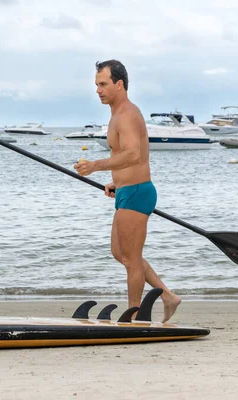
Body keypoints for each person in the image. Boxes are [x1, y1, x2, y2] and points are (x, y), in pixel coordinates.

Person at [74, 59, 181, 322]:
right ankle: (167, 295)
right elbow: (131, 156)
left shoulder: (128, 114)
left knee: (132, 259)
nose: (98, 90)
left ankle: (134, 315)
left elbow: (134, 155)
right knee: (120, 254)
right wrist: (116, 181)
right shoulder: (116, 114)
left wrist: (96, 165)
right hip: (126, 190)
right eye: (96, 85)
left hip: (137, 192)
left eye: (103, 84)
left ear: (119, 84)